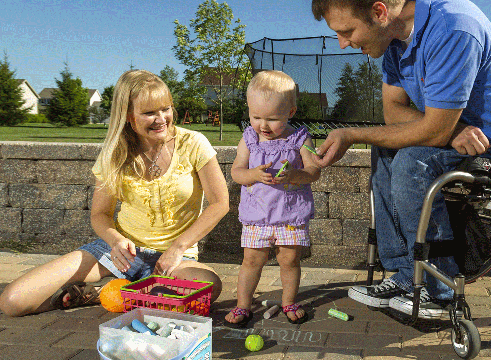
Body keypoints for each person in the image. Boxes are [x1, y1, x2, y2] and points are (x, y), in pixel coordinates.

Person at [311, 0, 491, 318]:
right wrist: (451, 131)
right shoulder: (395, 43)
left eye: (347, 31)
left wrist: (353, 134)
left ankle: (442, 289)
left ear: (380, 12)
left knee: (413, 161)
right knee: (385, 150)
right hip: (462, 140)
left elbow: (432, 132)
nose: (344, 43)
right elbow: (392, 112)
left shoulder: (454, 26)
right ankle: (405, 274)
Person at [0, 70, 229, 317]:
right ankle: (131, 292)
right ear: (128, 116)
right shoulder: (115, 153)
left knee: (207, 287)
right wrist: (115, 241)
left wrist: (177, 247)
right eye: (149, 112)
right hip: (122, 254)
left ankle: (111, 293)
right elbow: (100, 214)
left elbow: (220, 203)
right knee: (12, 302)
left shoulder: (193, 143)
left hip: (175, 259)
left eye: (166, 108)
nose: (161, 118)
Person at [224, 70, 321, 327]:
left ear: (290, 112)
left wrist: (294, 175)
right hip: (257, 215)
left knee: (289, 259)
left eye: (272, 118)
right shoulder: (249, 139)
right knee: (251, 260)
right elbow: (236, 173)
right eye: (256, 117)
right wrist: (253, 175)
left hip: (289, 216)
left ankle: (289, 300)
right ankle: (243, 305)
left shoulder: (301, 138)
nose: (263, 125)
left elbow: (314, 172)